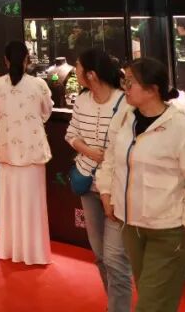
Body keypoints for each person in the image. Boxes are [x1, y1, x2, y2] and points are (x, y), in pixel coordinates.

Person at [97, 58, 185, 312]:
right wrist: (106, 191)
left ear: (153, 89)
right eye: (124, 81)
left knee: (151, 304)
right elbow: (111, 157)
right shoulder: (125, 118)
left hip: (167, 229)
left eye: (131, 82)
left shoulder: (180, 128)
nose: (125, 88)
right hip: (131, 225)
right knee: (153, 297)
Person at [66, 49, 131, 312]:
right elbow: (71, 134)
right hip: (87, 181)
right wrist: (89, 152)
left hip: (115, 186)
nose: (75, 71)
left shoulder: (124, 102)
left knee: (116, 258)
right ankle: (113, 304)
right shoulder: (82, 100)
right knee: (101, 255)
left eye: (78, 67)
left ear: (91, 74)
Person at [0, 40, 54, 265]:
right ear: (27, 59)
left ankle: (9, 249)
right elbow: (46, 112)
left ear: (6, 60)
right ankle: (34, 252)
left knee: (9, 203)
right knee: (33, 204)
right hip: (32, 151)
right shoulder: (38, 85)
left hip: (7, 150)